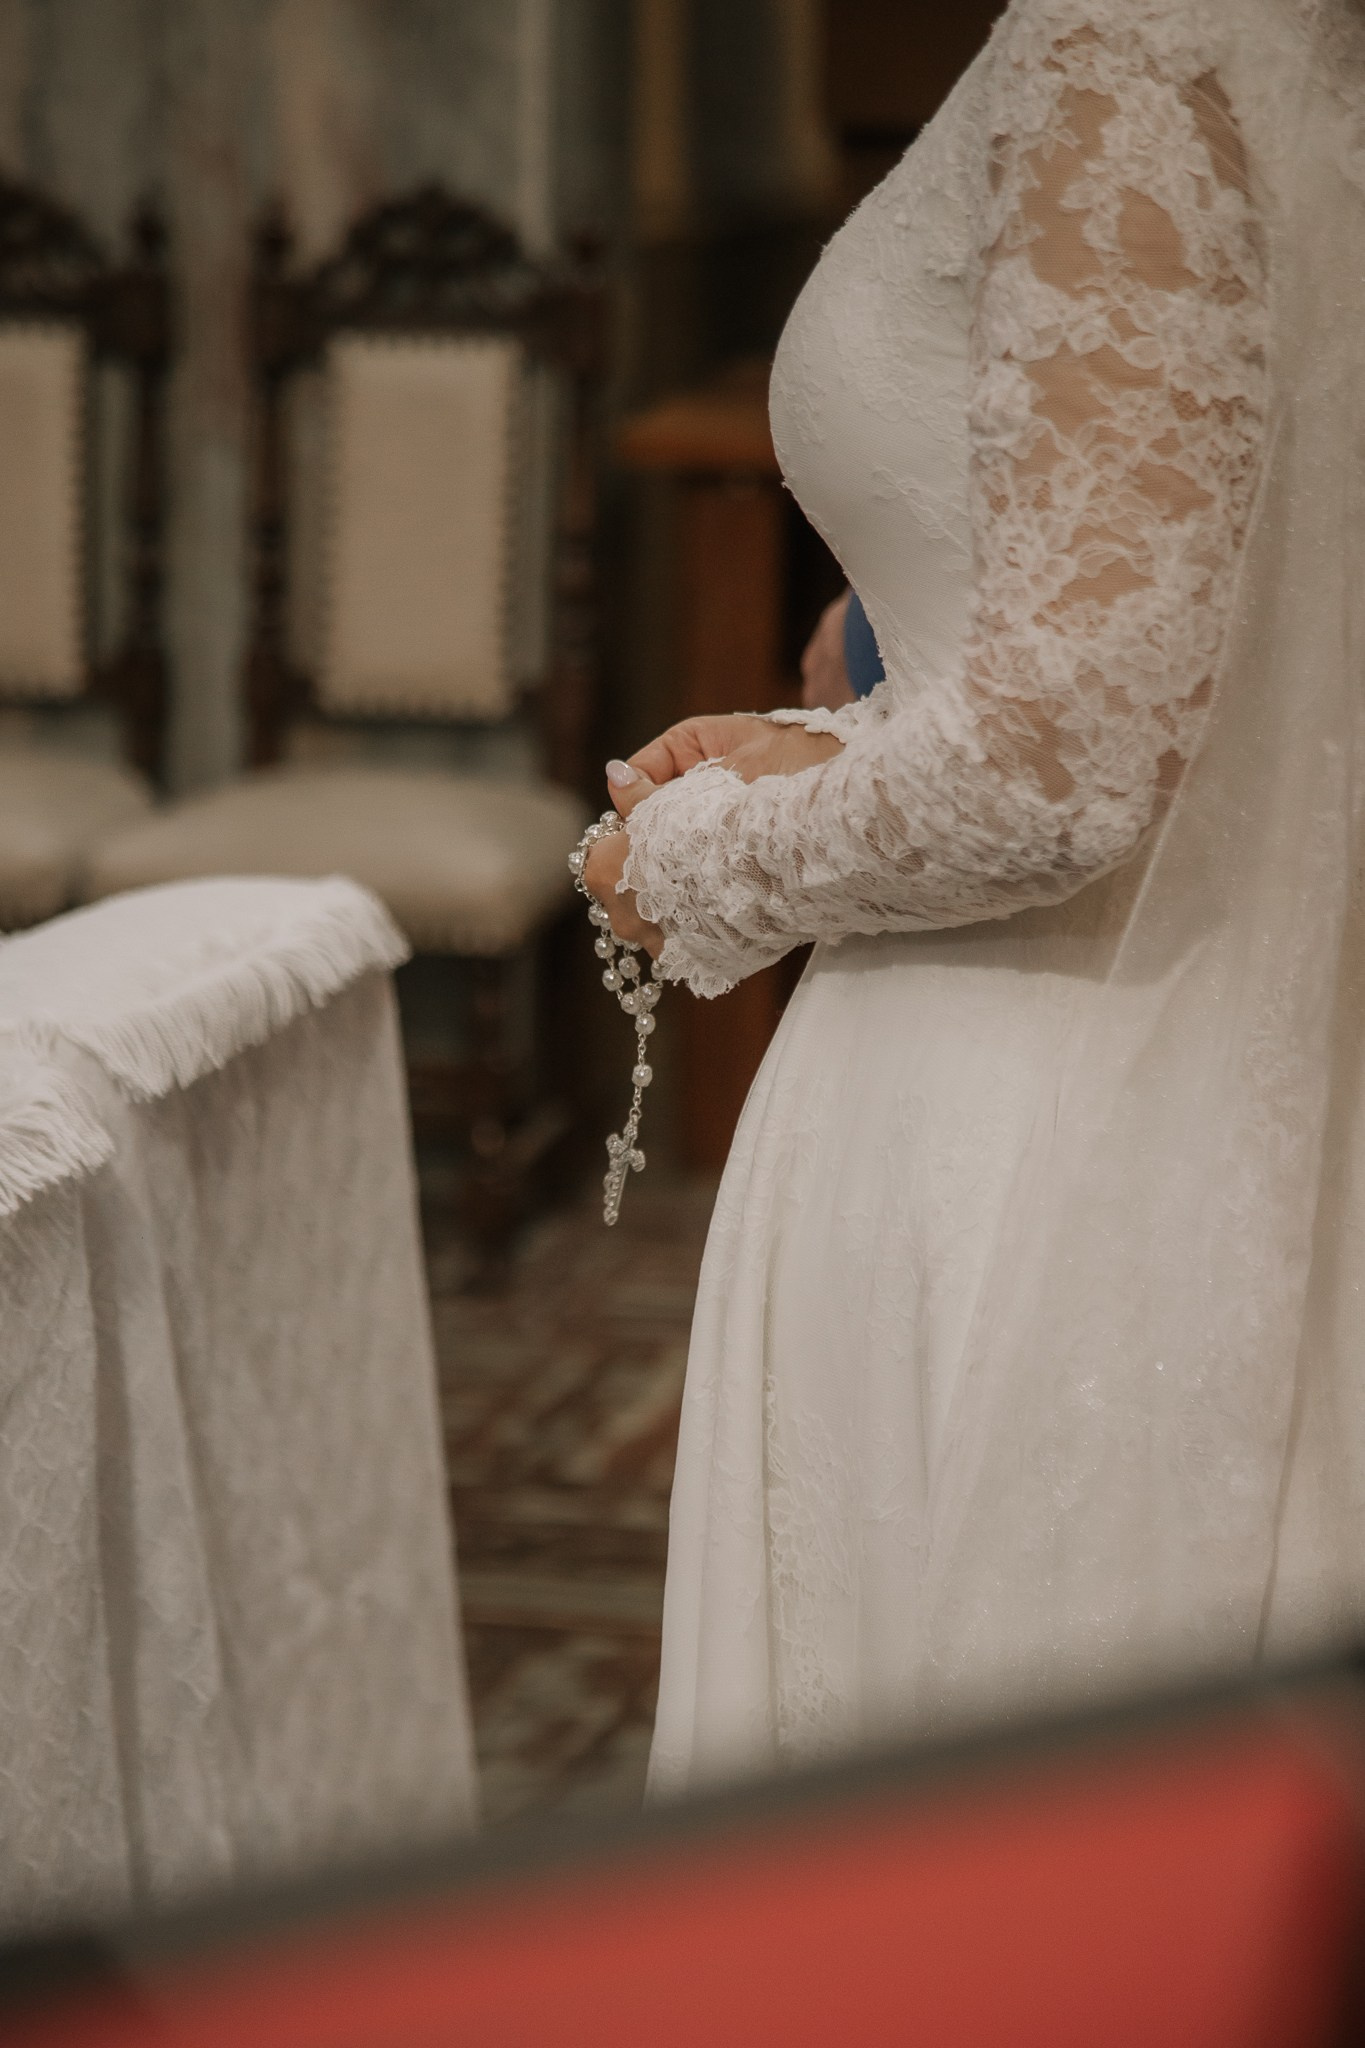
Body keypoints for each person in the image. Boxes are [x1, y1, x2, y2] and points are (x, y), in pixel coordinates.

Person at [586, 0, 1365, 1798]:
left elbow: (1061, 771)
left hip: (1051, 1124)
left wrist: (681, 859)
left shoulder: (1136, 39)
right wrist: (857, 725)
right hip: (1225, 1056)